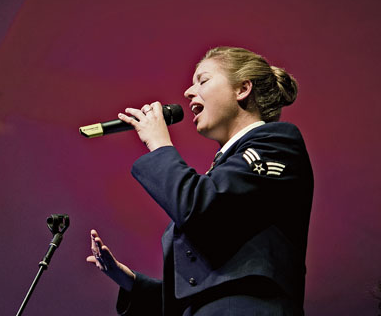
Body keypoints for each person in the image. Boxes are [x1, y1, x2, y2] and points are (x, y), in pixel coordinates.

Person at [87, 46, 313, 315]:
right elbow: (201, 292)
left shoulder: (277, 143)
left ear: (242, 89)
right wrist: (131, 282)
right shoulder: (222, 172)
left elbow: (197, 206)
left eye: (203, 80)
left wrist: (160, 145)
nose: (187, 92)